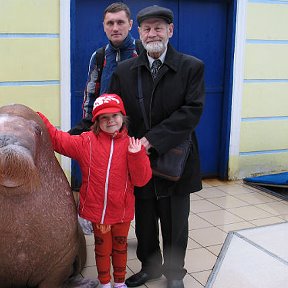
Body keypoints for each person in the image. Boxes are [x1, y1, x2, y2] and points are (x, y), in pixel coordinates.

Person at [108, 5, 205, 288]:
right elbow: (115, 112)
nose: (153, 34)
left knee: (175, 223)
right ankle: (150, 267)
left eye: (158, 28)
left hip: (177, 160)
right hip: (139, 162)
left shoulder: (191, 67)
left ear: (170, 31)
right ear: (139, 32)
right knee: (146, 220)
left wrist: (152, 140)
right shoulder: (125, 71)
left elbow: (192, 111)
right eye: (147, 29)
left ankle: (174, 275)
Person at [37, 94, 152, 288]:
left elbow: (141, 180)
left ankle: (120, 282)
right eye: (104, 117)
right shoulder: (86, 142)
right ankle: (105, 283)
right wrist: (40, 119)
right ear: (97, 121)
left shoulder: (131, 145)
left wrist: (137, 155)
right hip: (98, 212)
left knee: (120, 248)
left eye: (114, 115)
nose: (110, 121)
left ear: (122, 117)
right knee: (102, 249)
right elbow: (59, 141)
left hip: (121, 212)